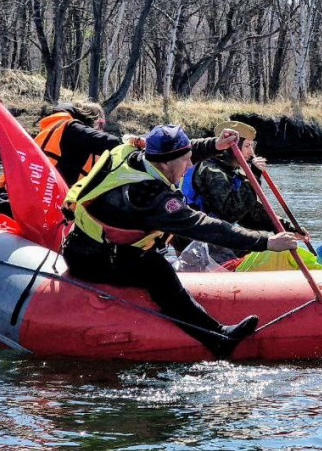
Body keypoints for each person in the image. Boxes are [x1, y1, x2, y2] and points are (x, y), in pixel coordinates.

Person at [61, 124, 300, 358]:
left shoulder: (131, 153)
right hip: (91, 258)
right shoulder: (148, 196)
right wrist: (266, 242)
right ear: (164, 163)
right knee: (156, 269)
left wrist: (215, 145)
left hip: (93, 244)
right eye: (185, 162)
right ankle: (217, 338)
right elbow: (204, 227)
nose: (189, 166)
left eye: (189, 158)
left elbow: (183, 151)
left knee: (153, 259)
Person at [0, 101, 136, 219]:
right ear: (95, 121)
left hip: (7, 201)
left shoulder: (53, 130)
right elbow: (109, 143)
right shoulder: (73, 129)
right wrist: (133, 144)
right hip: (25, 209)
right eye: (101, 125)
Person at [180, 120, 296, 263]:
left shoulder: (233, 171)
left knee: (259, 248)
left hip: (220, 234)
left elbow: (249, 213)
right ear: (231, 147)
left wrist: (285, 227)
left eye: (252, 146)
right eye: (247, 146)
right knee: (243, 255)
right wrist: (254, 177)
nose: (251, 152)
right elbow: (230, 210)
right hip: (199, 239)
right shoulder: (211, 170)